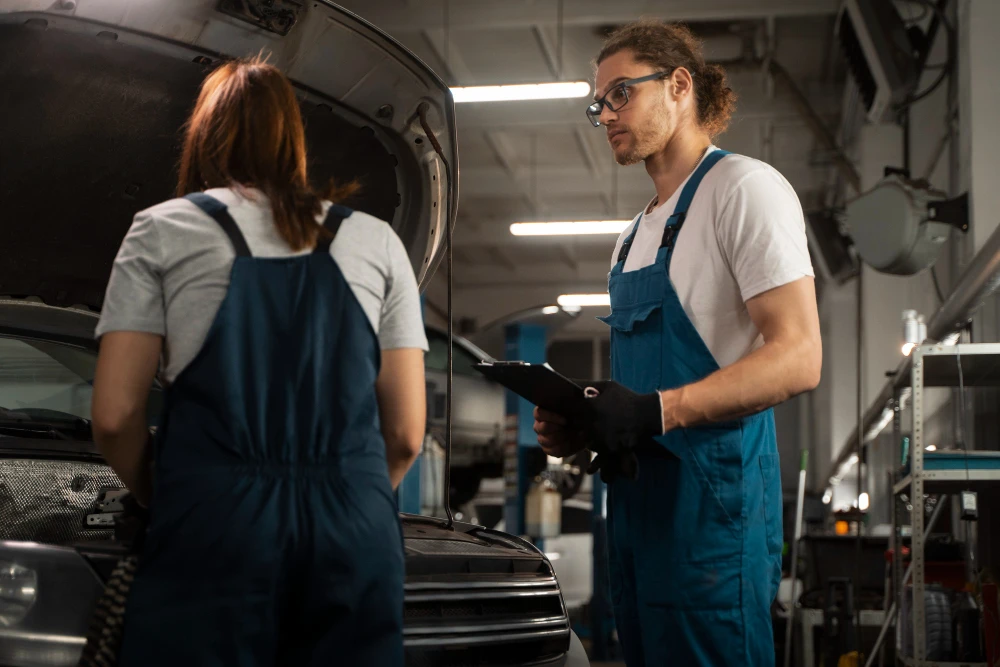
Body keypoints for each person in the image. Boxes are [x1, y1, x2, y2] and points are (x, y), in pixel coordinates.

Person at [90, 55, 427, 666]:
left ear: (201, 136)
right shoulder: (377, 240)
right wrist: (351, 493)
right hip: (354, 529)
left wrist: (167, 500)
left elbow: (115, 417)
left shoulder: (160, 230)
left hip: (215, 522)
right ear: (293, 139)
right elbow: (404, 435)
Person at [533, 20, 822, 666]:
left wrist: (653, 411)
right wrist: (587, 424)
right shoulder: (632, 236)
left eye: (620, 94)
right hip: (636, 519)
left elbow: (801, 354)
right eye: (597, 103)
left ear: (679, 86)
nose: (604, 113)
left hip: (711, 522)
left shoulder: (744, 190)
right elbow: (639, 398)